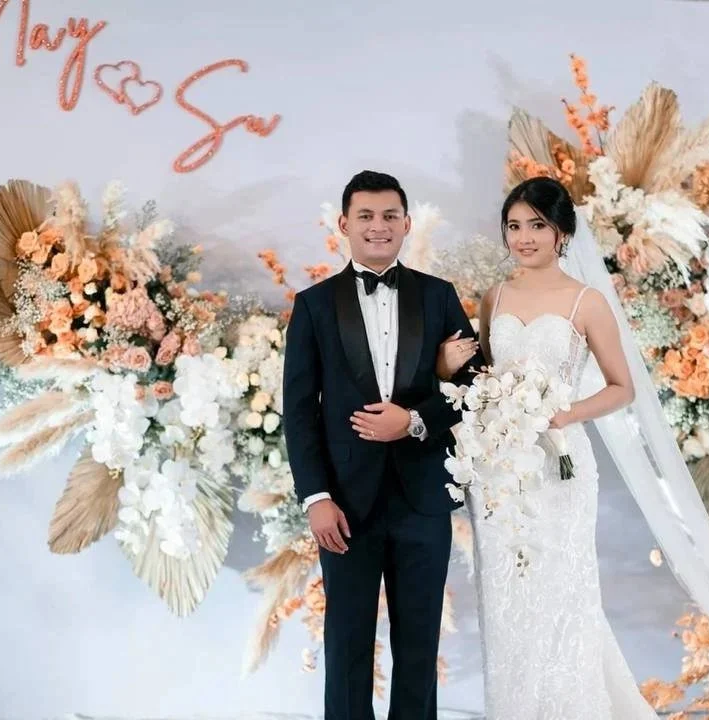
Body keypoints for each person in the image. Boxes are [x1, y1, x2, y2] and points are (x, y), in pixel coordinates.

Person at [435, 176, 659, 719]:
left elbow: (622, 387)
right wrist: (445, 369)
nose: (524, 237)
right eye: (514, 226)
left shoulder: (587, 301)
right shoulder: (495, 298)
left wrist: (566, 413)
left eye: (536, 225)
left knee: (562, 591)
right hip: (499, 470)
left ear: (561, 232)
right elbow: (483, 380)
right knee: (506, 595)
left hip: (560, 463)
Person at [282, 170, 483, 720]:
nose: (379, 226)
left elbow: (476, 386)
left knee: (418, 647)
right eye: (366, 216)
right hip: (345, 502)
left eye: (390, 215)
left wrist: (414, 420)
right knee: (347, 644)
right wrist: (316, 497)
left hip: (423, 498)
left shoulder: (438, 296)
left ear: (407, 223)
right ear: (344, 224)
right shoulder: (314, 305)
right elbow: (298, 411)